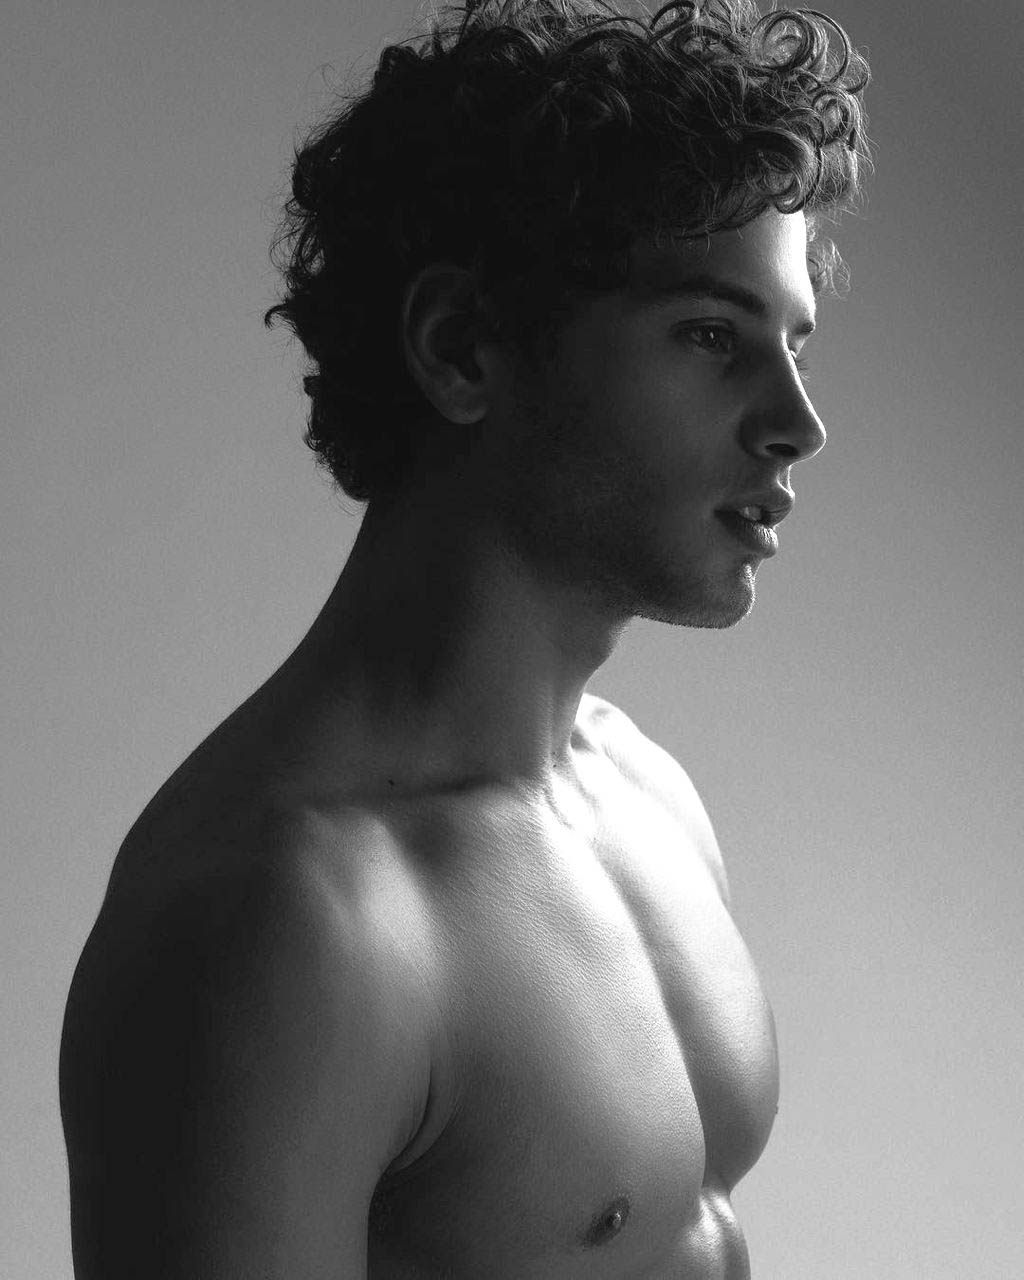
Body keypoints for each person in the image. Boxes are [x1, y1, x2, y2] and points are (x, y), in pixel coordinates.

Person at [59, 1, 869, 1275]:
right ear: (461, 348)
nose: (796, 422)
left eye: (793, 343)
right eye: (712, 336)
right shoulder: (282, 921)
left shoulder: (647, 791)